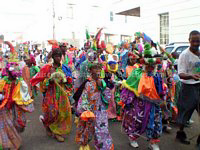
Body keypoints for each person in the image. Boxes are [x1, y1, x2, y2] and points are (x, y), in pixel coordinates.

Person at [30, 48, 73, 142]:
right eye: (56, 56)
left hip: (62, 93)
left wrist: (65, 80)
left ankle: (58, 132)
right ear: (53, 57)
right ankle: (48, 126)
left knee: (62, 112)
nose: (58, 58)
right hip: (51, 93)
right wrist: (49, 81)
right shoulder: (47, 68)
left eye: (60, 56)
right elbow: (41, 82)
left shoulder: (65, 68)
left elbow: (70, 81)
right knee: (51, 111)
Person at [75, 54, 114, 150]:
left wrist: (102, 86)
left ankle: (104, 147)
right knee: (87, 128)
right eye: (95, 68)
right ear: (90, 70)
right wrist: (84, 108)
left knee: (102, 129)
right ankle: (84, 144)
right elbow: (84, 96)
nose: (97, 70)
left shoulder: (102, 82)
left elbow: (107, 96)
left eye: (99, 68)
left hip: (100, 110)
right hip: (89, 110)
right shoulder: (88, 83)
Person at [0, 52, 34, 149]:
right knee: (8, 125)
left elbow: (25, 94)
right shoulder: (3, 81)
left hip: (17, 106)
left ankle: (14, 139)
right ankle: (9, 143)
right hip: (5, 107)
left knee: (20, 124)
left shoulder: (20, 82)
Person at [176, 30, 200, 145]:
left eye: (198, 41)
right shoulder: (184, 55)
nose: (196, 43)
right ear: (189, 40)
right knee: (185, 112)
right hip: (188, 87)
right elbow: (180, 74)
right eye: (193, 41)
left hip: (199, 86)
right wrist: (191, 76)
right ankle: (180, 133)